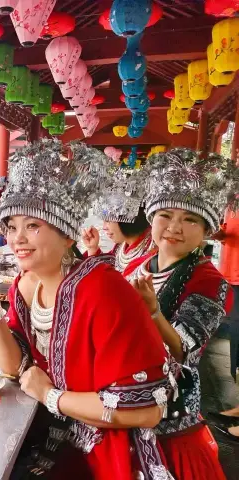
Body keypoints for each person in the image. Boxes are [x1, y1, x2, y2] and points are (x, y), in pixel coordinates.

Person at [0, 139, 173, 480]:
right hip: (46, 427)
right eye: (12, 227)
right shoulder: (25, 283)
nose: (17, 239)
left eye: (33, 225)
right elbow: (15, 366)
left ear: (68, 236)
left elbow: (146, 410)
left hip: (102, 448)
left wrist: (50, 395)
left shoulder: (103, 290)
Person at [124, 148, 237, 479]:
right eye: (166, 215)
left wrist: (154, 312)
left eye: (190, 219)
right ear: (151, 218)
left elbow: (184, 349)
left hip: (168, 407)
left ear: (206, 232)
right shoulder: (137, 263)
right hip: (121, 388)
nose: (175, 227)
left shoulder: (209, 280)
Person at [81, 167, 154, 272]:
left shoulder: (151, 254)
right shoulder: (121, 245)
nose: (104, 227)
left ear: (126, 218)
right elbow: (111, 270)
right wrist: (93, 248)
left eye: (108, 220)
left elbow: (111, 281)